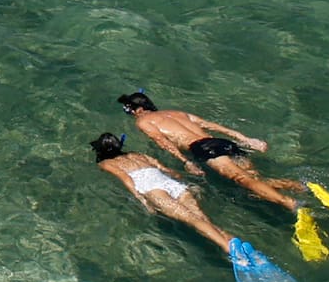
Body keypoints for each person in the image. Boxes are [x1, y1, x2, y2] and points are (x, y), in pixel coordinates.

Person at [91, 133, 301, 282]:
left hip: (151, 188)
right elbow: (168, 171)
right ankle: (237, 244)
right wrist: (187, 184)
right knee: (204, 221)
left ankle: (229, 248)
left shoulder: (105, 164)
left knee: (193, 222)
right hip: (171, 184)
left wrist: (142, 200)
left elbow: (127, 180)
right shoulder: (138, 155)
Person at [117, 91, 310, 214]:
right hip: (220, 142)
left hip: (203, 148)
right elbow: (208, 124)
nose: (130, 113)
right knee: (254, 182)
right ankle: (299, 186)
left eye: (129, 110)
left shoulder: (143, 121)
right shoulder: (176, 113)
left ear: (139, 109)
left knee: (244, 181)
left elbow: (162, 142)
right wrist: (244, 138)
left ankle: (290, 204)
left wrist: (185, 161)